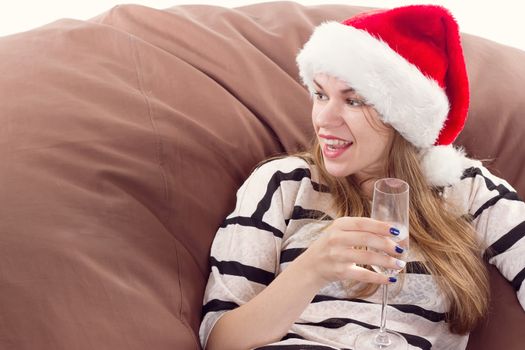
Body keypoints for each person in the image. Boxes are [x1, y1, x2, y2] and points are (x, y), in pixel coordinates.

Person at [199, 5, 525, 350]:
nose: (324, 119)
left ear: (400, 118)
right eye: (320, 94)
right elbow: (220, 341)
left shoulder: (467, 190)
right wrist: (312, 269)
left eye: (353, 101)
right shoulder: (283, 182)